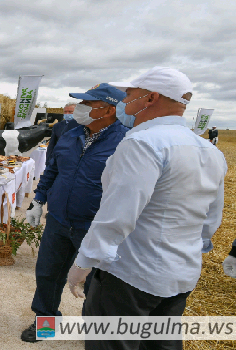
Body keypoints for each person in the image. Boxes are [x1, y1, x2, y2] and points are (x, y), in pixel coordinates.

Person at [67, 67, 227, 350]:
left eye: (129, 94)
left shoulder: (143, 143)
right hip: (181, 273)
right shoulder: (209, 151)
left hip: (131, 275)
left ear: (150, 98)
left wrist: (84, 262)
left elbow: (118, 214)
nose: (123, 101)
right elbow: (211, 217)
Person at [20, 83, 128, 343]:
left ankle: (96, 336)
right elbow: (53, 170)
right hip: (58, 220)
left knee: (95, 285)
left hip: (95, 225)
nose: (79, 109)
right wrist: (38, 199)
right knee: (48, 274)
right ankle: (45, 323)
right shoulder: (71, 134)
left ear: (108, 110)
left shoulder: (126, 141)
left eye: (87, 105)